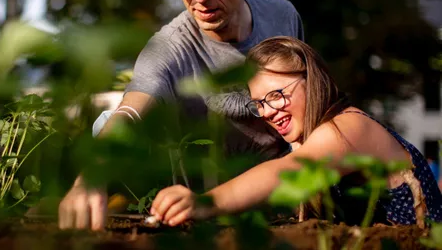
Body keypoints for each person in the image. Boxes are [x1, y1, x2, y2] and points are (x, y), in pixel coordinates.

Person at [58, 0, 305, 230]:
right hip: (198, 197)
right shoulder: (169, 48)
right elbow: (130, 113)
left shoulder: (282, 17)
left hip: (275, 183)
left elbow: (307, 100)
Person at [150, 36, 442, 226]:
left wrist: (205, 203)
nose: (266, 112)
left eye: (276, 95)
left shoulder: (350, 127)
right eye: (258, 104)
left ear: (311, 80)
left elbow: (288, 171)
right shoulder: (310, 141)